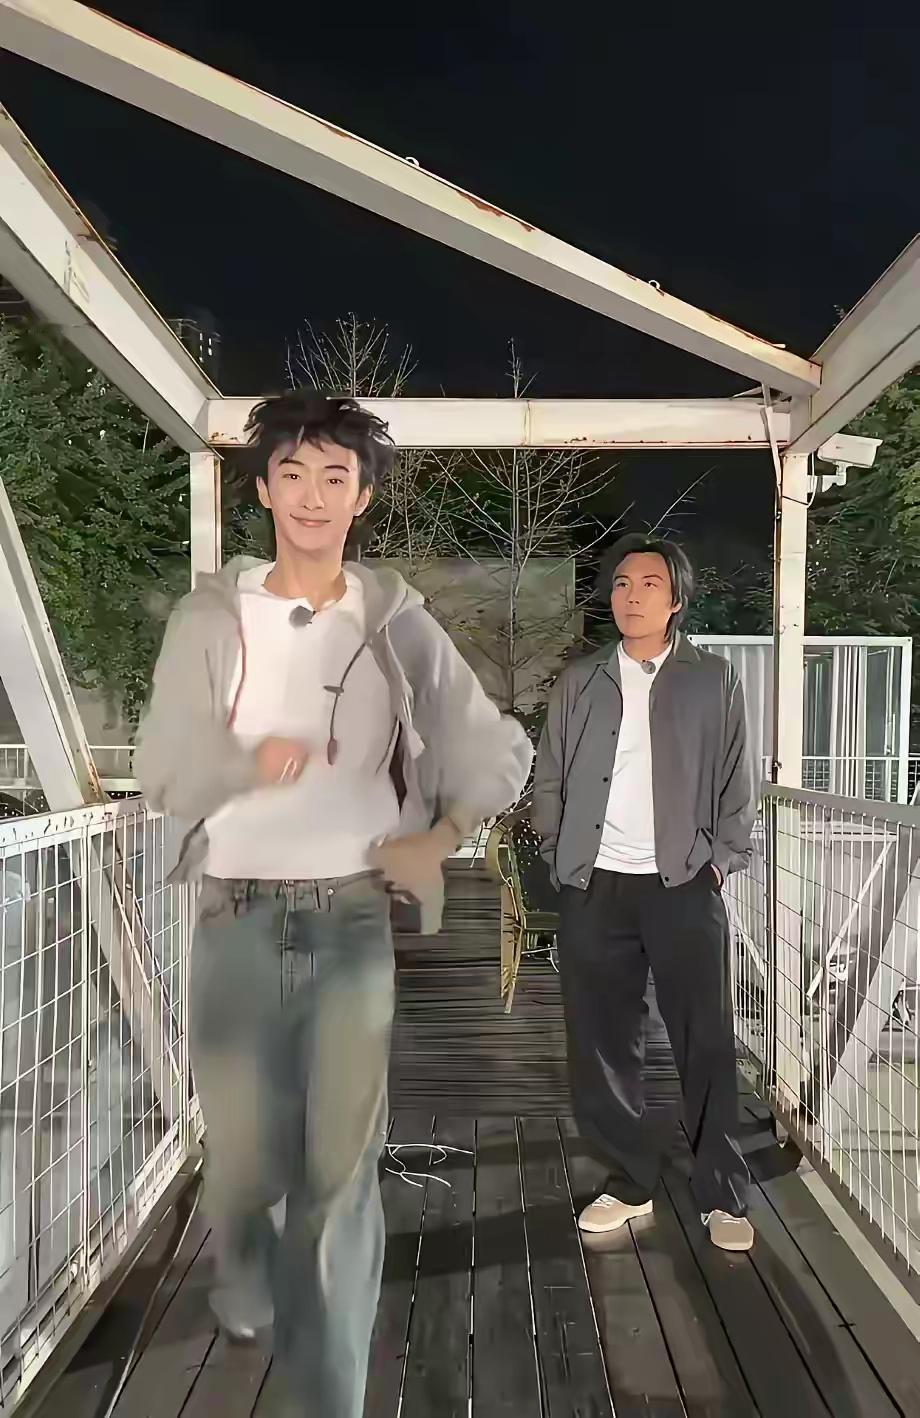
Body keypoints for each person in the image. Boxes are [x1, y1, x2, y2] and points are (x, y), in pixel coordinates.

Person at [134, 391, 532, 1417]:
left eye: (336, 477)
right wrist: (242, 760)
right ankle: (244, 1266)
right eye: (293, 473)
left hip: (351, 921)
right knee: (244, 1160)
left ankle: (330, 1398)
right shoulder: (209, 618)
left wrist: (441, 834)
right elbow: (162, 764)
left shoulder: (396, 622)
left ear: (362, 498)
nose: (313, 495)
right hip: (231, 918)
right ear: (263, 489)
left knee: (339, 1174)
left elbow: (495, 746)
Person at [531, 533, 755, 1252]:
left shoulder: (712, 679)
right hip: (595, 883)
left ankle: (721, 1190)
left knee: (704, 1037)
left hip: (682, 882)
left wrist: (720, 861)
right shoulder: (580, 681)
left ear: (676, 598)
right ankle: (629, 1180)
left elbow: (736, 779)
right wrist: (558, 853)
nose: (632, 596)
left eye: (649, 584)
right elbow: (550, 776)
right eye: (622, 583)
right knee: (601, 1041)